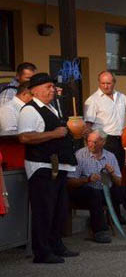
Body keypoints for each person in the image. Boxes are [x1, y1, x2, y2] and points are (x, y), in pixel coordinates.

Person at [17, 73, 79, 264]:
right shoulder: (29, 110)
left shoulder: (52, 107)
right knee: (44, 211)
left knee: (58, 209)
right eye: (48, 87)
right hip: (42, 166)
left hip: (58, 166)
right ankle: (42, 252)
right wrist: (54, 134)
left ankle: (56, 245)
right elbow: (25, 137)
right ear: (35, 90)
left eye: (52, 86)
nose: (52, 90)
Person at [67, 130, 126, 242]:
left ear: (103, 142)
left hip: (105, 190)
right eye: (89, 141)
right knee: (93, 193)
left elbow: (119, 182)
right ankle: (99, 232)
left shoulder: (110, 156)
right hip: (86, 192)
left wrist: (112, 173)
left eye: (95, 142)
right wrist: (87, 179)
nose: (91, 144)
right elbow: (70, 182)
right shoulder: (80, 155)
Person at [84, 71, 126, 170]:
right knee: (105, 171)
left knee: (119, 170)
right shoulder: (93, 100)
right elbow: (88, 127)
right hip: (103, 141)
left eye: (108, 83)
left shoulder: (120, 96)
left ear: (114, 83)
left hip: (120, 140)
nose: (105, 86)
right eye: (102, 83)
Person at [0, 81, 32, 170]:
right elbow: (8, 134)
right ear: (25, 94)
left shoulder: (29, 107)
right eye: (34, 95)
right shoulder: (8, 108)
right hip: (14, 156)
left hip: (28, 155)